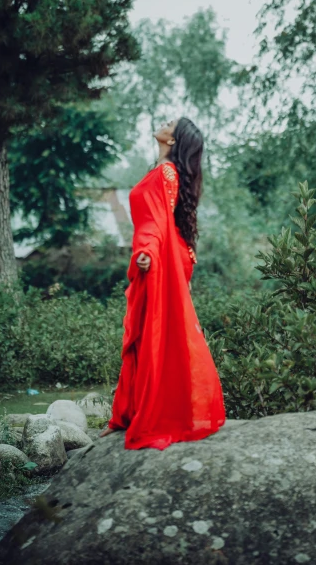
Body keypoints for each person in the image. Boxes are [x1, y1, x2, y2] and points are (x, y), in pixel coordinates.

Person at [99, 117, 226, 449]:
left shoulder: (167, 173)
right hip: (158, 255)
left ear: (173, 140)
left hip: (157, 257)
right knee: (147, 334)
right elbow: (157, 219)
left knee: (156, 335)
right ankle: (130, 412)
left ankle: (152, 414)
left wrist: (146, 251)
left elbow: (156, 221)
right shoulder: (159, 171)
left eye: (171, 123)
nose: (164, 122)